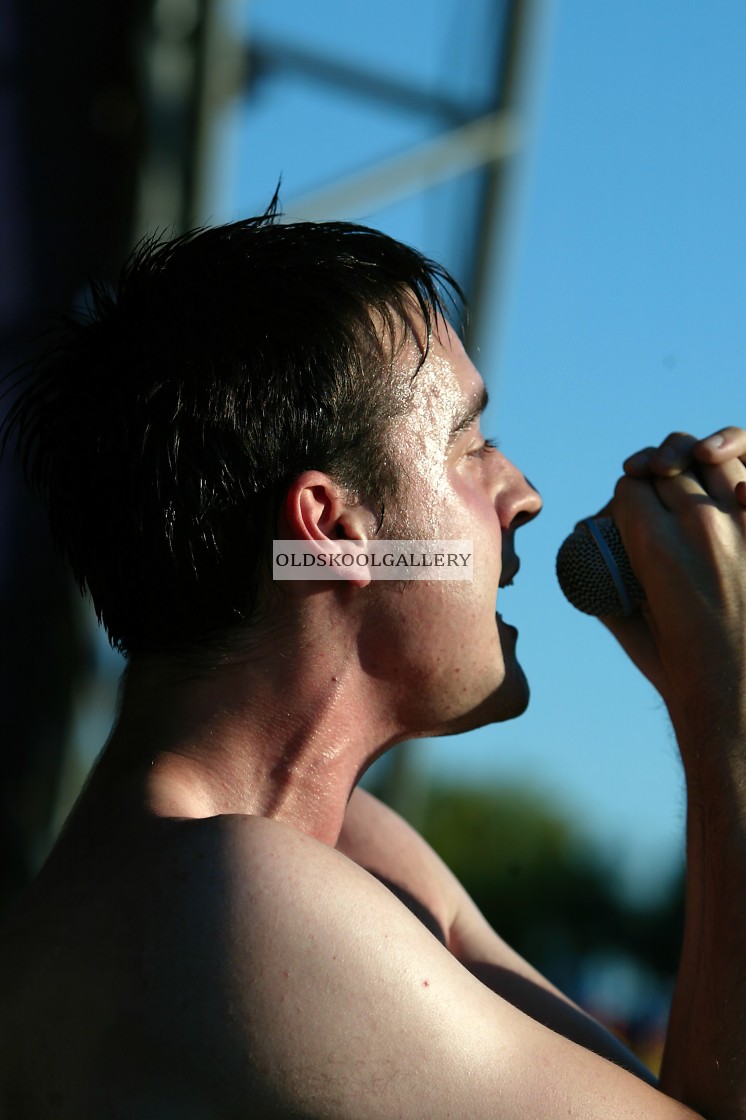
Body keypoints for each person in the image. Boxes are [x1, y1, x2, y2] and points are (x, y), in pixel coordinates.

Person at [1, 198, 745, 1120]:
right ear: (334, 527)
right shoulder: (223, 897)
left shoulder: (347, 850)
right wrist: (729, 716)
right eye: (470, 444)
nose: (526, 495)